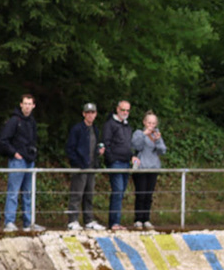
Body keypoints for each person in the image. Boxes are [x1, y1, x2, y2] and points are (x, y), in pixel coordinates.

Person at [0, 94, 42, 233]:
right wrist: (14, 153)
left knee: (28, 193)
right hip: (17, 161)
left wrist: (32, 154)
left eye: (30, 104)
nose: (27, 106)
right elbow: (3, 140)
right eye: (25, 103)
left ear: (33, 106)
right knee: (13, 192)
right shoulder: (14, 121)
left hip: (29, 161)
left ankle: (28, 223)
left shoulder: (32, 122)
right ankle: (9, 222)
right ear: (21, 105)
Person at [64, 103, 101, 232]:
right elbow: (70, 148)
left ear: (95, 114)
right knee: (76, 194)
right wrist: (77, 163)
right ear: (84, 114)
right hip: (80, 167)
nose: (90, 115)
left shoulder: (95, 129)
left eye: (92, 112)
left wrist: (98, 153)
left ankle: (88, 220)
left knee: (89, 194)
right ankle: (72, 220)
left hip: (91, 167)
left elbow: (95, 147)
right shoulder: (77, 129)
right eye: (88, 112)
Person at [101, 99, 135, 231]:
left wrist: (131, 156)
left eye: (127, 110)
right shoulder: (110, 124)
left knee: (121, 192)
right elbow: (106, 143)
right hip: (116, 162)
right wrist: (111, 159)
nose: (125, 112)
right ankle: (114, 222)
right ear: (117, 109)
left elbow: (127, 145)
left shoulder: (127, 126)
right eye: (123, 110)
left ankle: (116, 221)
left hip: (126, 162)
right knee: (117, 191)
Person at [131, 112, 165, 230]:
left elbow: (162, 151)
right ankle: (138, 219)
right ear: (144, 122)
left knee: (149, 195)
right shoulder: (138, 133)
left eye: (153, 123)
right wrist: (144, 135)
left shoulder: (157, 134)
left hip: (153, 167)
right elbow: (135, 146)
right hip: (141, 168)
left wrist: (158, 140)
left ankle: (146, 218)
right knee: (140, 194)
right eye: (149, 123)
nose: (151, 125)